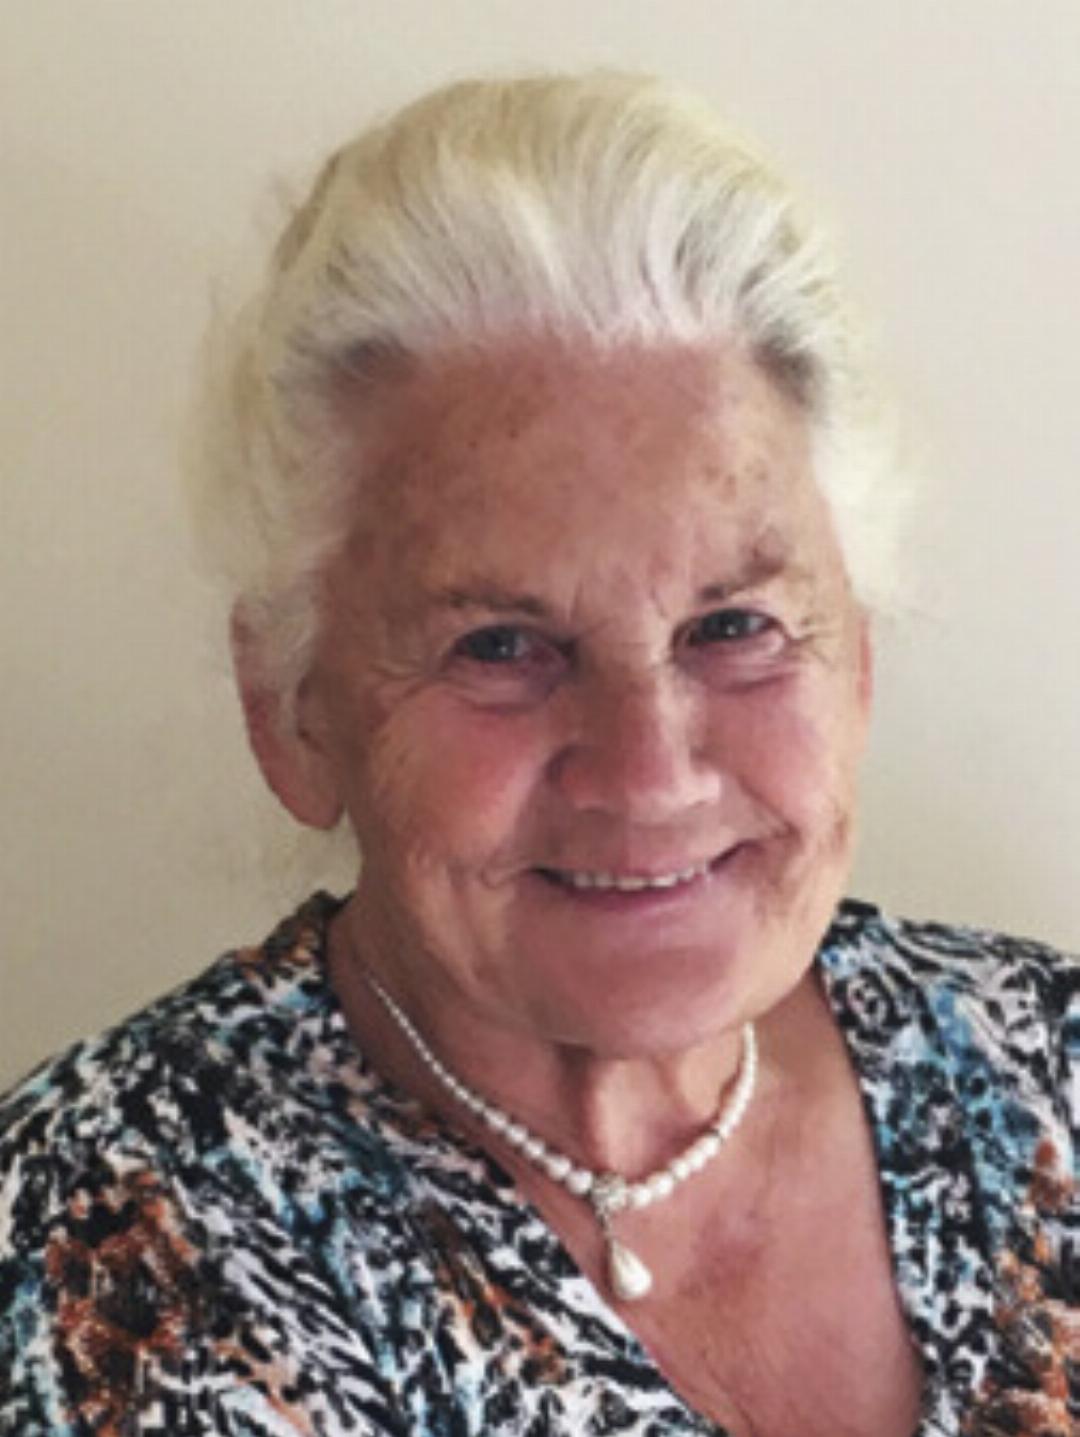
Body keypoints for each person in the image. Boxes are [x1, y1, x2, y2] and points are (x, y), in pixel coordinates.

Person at [1, 72, 1076, 1437]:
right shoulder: (106, 1250)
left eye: (734, 626)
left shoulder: (1045, 1061)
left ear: (856, 665)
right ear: (293, 709)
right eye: (501, 646)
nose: (649, 771)